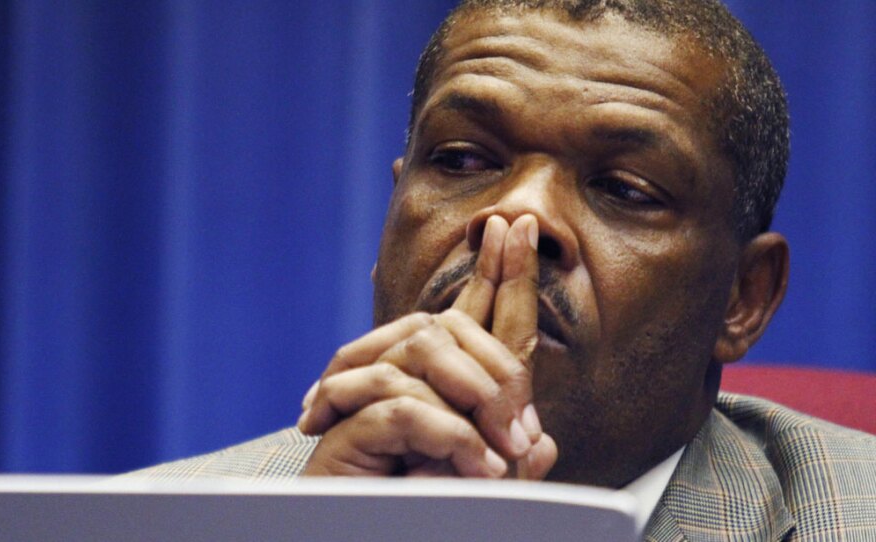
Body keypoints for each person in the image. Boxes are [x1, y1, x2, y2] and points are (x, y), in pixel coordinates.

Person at [131, 0, 876, 539]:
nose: (518, 217)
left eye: (624, 189)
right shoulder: (150, 520)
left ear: (744, 299)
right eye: (460, 160)